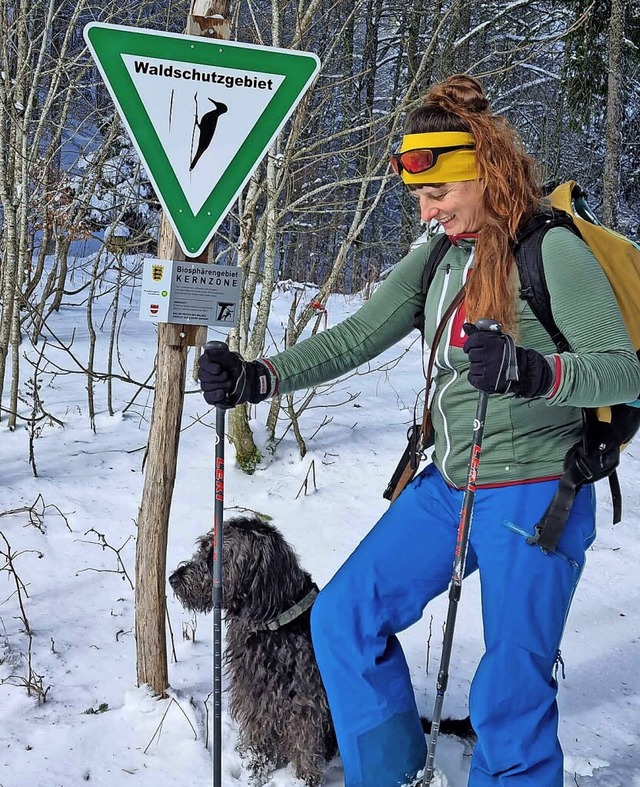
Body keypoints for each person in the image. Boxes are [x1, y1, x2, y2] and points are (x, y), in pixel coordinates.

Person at [197, 75, 640, 787]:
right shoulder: (439, 257)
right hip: (452, 483)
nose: (430, 212)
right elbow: (358, 336)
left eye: (440, 194)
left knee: (512, 682)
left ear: (485, 173)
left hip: (535, 488)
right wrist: (260, 376)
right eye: (420, 200)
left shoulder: (549, 250)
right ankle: (391, 771)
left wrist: (535, 372)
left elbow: (624, 371)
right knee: (343, 615)